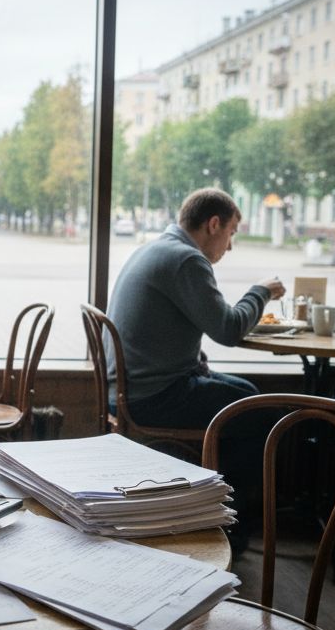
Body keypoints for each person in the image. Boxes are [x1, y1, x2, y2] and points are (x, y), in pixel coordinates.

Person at [106, 188, 286, 552]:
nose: (230, 246)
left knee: (250, 397)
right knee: (265, 415)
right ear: (214, 224)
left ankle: (216, 509)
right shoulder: (187, 259)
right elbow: (229, 329)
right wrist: (260, 291)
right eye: (232, 233)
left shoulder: (156, 248)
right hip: (153, 396)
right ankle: (225, 521)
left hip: (133, 389)